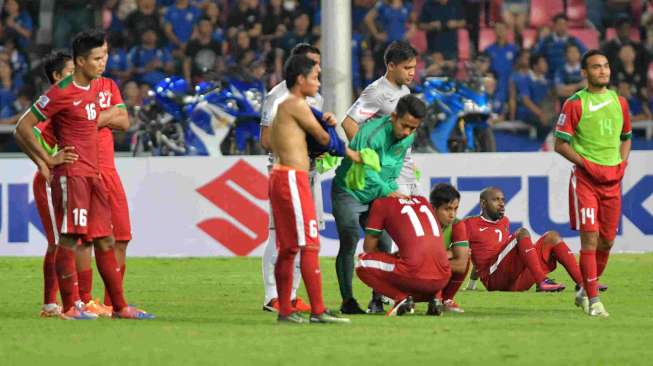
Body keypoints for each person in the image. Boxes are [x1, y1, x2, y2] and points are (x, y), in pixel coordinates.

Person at [14, 29, 153, 320]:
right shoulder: (59, 92)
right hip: (73, 175)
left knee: (105, 239)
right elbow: (23, 128)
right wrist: (47, 159)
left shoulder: (97, 88)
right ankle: (68, 307)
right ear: (79, 61)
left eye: (105, 57)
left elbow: (122, 119)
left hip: (95, 175)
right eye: (97, 58)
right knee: (69, 238)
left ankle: (120, 307)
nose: (103, 63)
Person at [269, 54, 353, 324]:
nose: (318, 83)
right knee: (309, 243)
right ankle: (317, 311)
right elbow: (323, 139)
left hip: (286, 177)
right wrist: (347, 150)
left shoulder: (289, 105)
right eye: (315, 77)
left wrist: (325, 124)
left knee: (290, 247)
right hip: (293, 179)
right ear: (300, 79)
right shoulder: (294, 103)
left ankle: (285, 310)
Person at [554, 49, 631, 317]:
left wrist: (622, 163)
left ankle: (585, 290)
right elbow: (560, 145)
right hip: (586, 182)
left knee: (607, 242)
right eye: (596, 67)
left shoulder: (619, 102)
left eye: (606, 66)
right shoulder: (575, 103)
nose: (603, 71)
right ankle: (594, 300)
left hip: (613, 182)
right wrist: (587, 165)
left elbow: (626, 137)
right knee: (590, 238)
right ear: (585, 73)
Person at [333, 94, 425, 315]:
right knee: (350, 238)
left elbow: (393, 170)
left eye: (413, 128)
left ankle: (377, 300)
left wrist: (398, 189)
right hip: (349, 191)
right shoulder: (371, 133)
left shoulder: (408, 137)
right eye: (404, 126)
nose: (407, 132)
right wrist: (389, 191)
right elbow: (365, 169)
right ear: (393, 117)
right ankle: (348, 301)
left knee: (384, 244)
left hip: (377, 195)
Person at [259, 43, 323, 314]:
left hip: (309, 172)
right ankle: (272, 295)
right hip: (284, 172)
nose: (317, 70)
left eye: (319, 65)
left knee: (307, 234)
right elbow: (265, 140)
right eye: (312, 65)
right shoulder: (276, 98)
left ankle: (293, 294)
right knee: (279, 236)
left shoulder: (317, 97)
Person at [13, 50, 75, 317]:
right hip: (49, 180)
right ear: (57, 77)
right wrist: (48, 159)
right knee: (57, 242)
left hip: (67, 179)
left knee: (70, 240)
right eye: (71, 72)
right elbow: (27, 131)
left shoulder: (72, 103)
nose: (77, 77)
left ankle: (73, 300)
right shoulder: (52, 105)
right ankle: (50, 303)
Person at [464, 187, 583, 295]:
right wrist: (471, 284)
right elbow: (476, 256)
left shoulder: (504, 221)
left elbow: (502, 254)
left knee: (552, 237)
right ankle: (542, 281)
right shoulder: (469, 224)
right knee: (521, 233)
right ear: (483, 203)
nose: (501, 204)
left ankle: (583, 283)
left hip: (514, 280)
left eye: (503, 200)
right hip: (494, 279)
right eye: (496, 200)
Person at [356, 195, 451, 317]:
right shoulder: (422, 200)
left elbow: (368, 248)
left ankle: (402, 298)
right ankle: (435, 299)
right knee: (422, 265)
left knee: (361, 263)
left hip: (414, 274)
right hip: (443, 278)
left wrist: (388, 260)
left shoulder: (381, 203)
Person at [428, 183, 470, 313]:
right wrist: (448, 254)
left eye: (455, 209)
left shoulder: (457, 224)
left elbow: (461, 265)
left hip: (430, 269)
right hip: (414, 276)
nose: (452, 214)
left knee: (467, 256)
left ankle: (446, 300)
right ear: (433, 208)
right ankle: (407, 298)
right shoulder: (423, 222)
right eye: (447, 209)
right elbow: (418, 259)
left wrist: (441, 256)